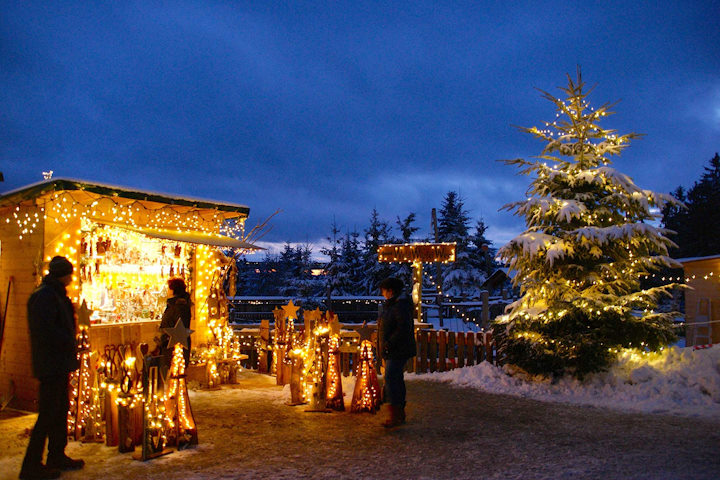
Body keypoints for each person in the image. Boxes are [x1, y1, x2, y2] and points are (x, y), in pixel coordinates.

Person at [20, 256, 84, 480]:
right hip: (51, 364)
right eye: (69, 273)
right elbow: (45, 330)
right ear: (62, 274)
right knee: (48, 414)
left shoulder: (55, 294)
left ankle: (56, 454)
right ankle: (31, 464)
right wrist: (67, 341)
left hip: (58, 362)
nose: (71, 277)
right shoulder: (46, 296)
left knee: (60, 410)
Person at [379, 277, 416, 428]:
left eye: (384, 291)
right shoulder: (394, 305)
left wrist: (389, 342)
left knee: (391, 379)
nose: (382, 294)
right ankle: (399, 412)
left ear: (391, 291)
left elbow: (403, 327)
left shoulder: (399, 306)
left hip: (397, 349)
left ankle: (395, 413)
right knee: (396, 379)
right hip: (396, 348)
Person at [159, 277, 192, 366]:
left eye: (169, 288)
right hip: (169, 344)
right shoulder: (173, 305)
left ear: (173, 290)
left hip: (174, 346)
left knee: (174, 372)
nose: (167, 291)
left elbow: (179, 327)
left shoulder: (179, 306)